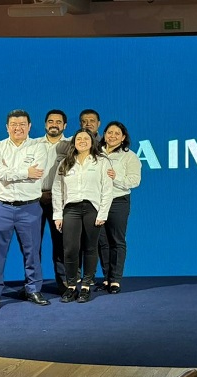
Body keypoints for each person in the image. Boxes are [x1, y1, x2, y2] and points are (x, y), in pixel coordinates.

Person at [0, 109, 50, 312]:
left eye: (22, 124)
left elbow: (37, 173)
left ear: (29, 126)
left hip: (30, 207)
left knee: (32, 252)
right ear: (7, 127)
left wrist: (9, 172)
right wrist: (25, 172)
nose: (18, 128)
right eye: (13, 124)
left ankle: (33, 290)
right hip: (2, 207)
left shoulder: (39, 147)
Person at [53, 128, 113, 303]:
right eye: (78, 139)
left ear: (92, 142)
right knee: (70, 249)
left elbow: (107, 189)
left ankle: (86, 286)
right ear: (74, 142)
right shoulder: (65, 162)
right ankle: (71, 286)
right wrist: (58, 214)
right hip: (70, 209)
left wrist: (103, 213)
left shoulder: (101, 162)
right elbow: (57, 190)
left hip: (92, 208)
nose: (82, 141)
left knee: (90, 248)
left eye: (86, 138)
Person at [96, 121, 142, 294]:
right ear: (104, 134)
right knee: (102, 241)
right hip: (98, 202)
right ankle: (106, 277)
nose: (112, 136)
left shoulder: (129, 156)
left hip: (118, 201)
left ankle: (115, 280)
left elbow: (135, 181)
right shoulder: (96, 153)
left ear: (123, 138)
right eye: (109, 132)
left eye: (117, 133)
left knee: (117, 240)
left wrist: (116, 178)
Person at [37, 110, 69, 294]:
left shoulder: (71, 145)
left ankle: (64, 283)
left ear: (65, 125)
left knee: (61, 243)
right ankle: (33, 284)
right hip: (35, 200)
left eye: (58, 122)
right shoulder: (33, 145)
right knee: (33, 245)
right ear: (45, 124)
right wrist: (38, 194)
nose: (54, 124)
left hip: (60, 202)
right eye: (50, 121)